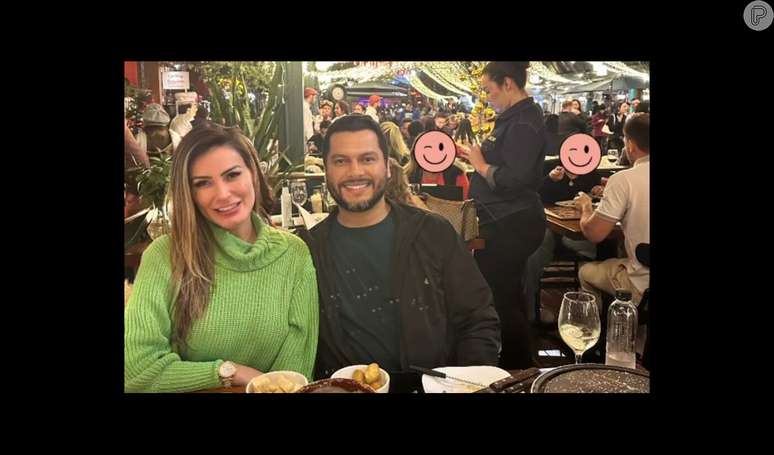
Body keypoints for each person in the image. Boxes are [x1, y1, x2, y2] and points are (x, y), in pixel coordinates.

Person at [302, 114, 501, 384]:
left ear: (387, 167)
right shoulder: (308, 250)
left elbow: (478, 319)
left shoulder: (433, 233)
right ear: (325, 170)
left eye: (367, 159)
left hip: (432, 387)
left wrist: (465, 383)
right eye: (341, 161)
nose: (355, 171)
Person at [124, 125, 319, 392]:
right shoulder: (164, 255)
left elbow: (293, 375)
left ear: (253, 173)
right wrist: (229, 372)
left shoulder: (293, 255)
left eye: (232, 175)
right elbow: (136, 370)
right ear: (189, 193)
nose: (223, 194)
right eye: (203, 183)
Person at [457, 61, 548, 369]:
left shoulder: (523, 122)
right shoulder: (515, 118)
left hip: (512, 222)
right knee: (506, 293)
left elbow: (516, 178)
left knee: (501, 296)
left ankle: (516, 367)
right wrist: (475, 157)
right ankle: (517, 363)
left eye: (488, 90)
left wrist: (481, 165)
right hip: (504, 219)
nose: (487, 97)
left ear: (508, 83)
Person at [575, 113, 650, 306]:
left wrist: (585, 207)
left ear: (630, 145)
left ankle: (606, 323)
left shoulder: (624, 179)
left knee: (585, 272)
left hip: (642, 285)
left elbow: (595, 233)